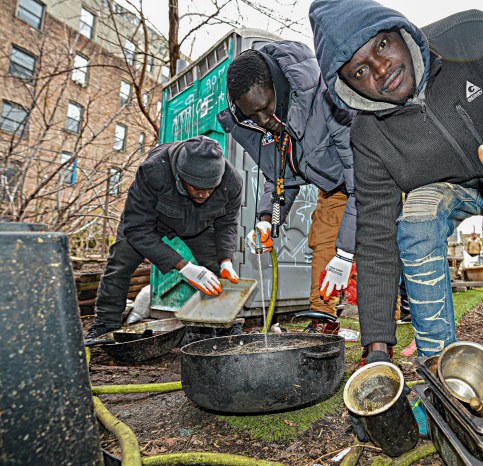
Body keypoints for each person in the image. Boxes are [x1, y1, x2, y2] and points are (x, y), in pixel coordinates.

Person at [309, 0, 483, 361]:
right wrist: (377, 346)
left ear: (399, 31)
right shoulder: (368, 136)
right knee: (418, 218)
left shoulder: (472, 36)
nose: (381, 70)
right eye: (359, 72)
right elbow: (376, 237)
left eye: (381, 46)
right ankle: (441, 369)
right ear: (347, 88)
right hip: (442, 192)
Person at [217, 41, 356, 334]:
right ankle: (324, 322)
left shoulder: (327, 96)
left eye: (265, 109)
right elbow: (281, 176)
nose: (264, 121)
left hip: (373, 179)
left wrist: (346, 255)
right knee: (322, 241)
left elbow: (361, 173)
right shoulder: (270, 121)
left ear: (279, 86)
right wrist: (266, 220)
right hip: (332, 189)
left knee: (377, 249)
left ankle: (381, 330)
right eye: (252, 116)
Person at [85, 136, 243, 339]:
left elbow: (226, 224)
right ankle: (104, 325)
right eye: (197, 189)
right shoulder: (153, 171)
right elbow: (136, 228)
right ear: (180, 176)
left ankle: (226, 326)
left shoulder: (232, 182)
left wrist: (226, 261)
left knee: (218, 270)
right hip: (151, 220)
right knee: (120, 263)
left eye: (210, 190)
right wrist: (184, 267)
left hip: (199, 224)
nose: (204, 196)